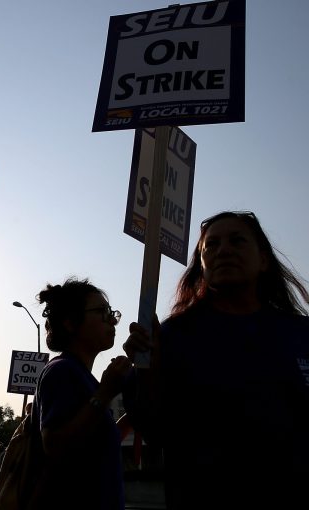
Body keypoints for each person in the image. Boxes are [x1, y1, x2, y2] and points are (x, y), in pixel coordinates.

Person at [122, 210, 309, 509]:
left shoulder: (301, 333)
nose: (223, 251)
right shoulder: (172, 337)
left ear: (263, 260)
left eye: (237, 241)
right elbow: (154, 428)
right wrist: (148, 369)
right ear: (202, 264)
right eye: (212, 245)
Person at [28, 277, 133, 510]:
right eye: (102, 312)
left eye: (111, 313)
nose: (112, 320)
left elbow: (96, 441)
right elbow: (55, 445)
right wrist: (105, 393)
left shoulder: (83, 377)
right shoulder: (61, 371)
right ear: (70, 323)